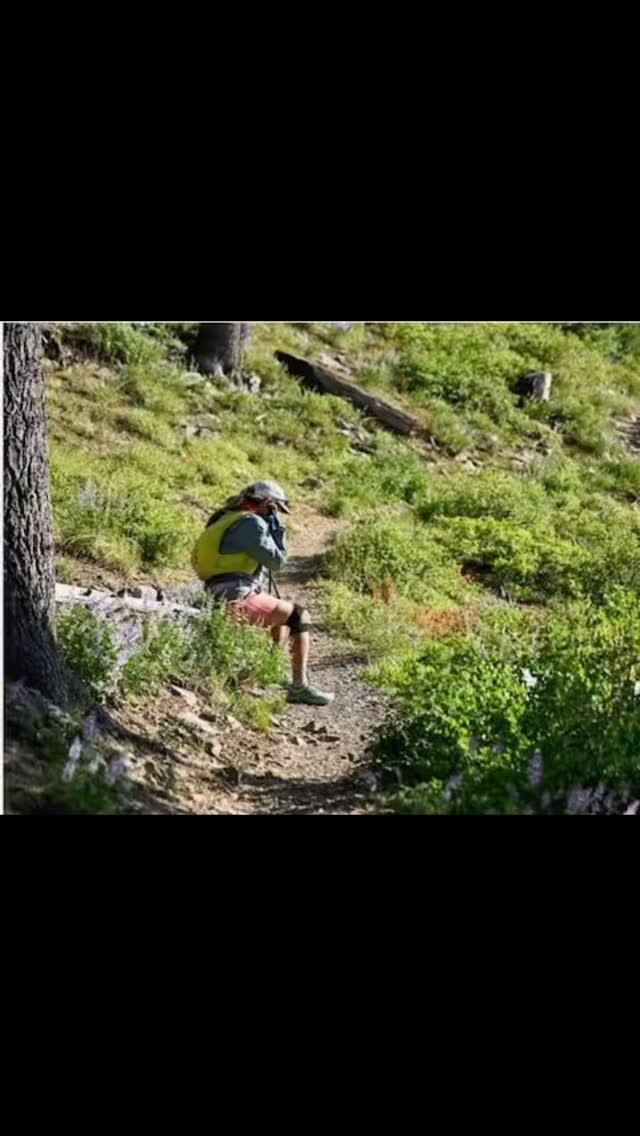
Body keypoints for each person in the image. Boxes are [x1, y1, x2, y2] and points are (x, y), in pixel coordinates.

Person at [192, 481, 334, 706]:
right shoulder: (252, 523)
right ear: (268, 504)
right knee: (299, 616)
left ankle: (271, 670)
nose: (276, 514)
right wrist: (277, 528)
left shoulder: (225, 518)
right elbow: (277, 562)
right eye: (276, 510)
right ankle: (299, 687)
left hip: (215, 591)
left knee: (281, 613)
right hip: (237, 594)